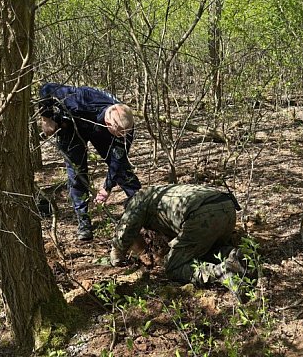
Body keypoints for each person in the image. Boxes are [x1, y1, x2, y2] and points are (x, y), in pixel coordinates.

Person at [38, 83, 142, 241]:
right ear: (109, 124)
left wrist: (107, 187)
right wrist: (46, 118)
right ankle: (84, 222)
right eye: (119, 133)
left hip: (101, 133)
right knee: (77, 173)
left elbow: (117, 161)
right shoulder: (82, 98)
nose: (122, 136)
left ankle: (141, 208)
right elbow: (46, 88)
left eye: (124, 133)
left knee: (123, 171)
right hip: (72, 127)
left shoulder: (126, 127)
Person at [109, 184, 247, 297]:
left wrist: (116, 255)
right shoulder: (161, 193)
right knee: (206, 250)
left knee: (173, 266)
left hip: (201, 213)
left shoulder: (138, 201)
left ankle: (223, 271)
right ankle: (237, 257)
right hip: (226, 205)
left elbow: (126, 227)